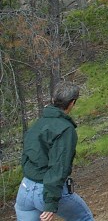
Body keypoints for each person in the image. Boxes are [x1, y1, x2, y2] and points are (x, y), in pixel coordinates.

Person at [15, 81, 94, 221]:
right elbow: (59, 168)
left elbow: (26, 157)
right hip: (44, 191)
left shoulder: (38, 124)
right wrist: (50, 203)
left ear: (53, 99)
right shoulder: (65, 129)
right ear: (72, 103)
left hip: (25, 190)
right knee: (84, 218)